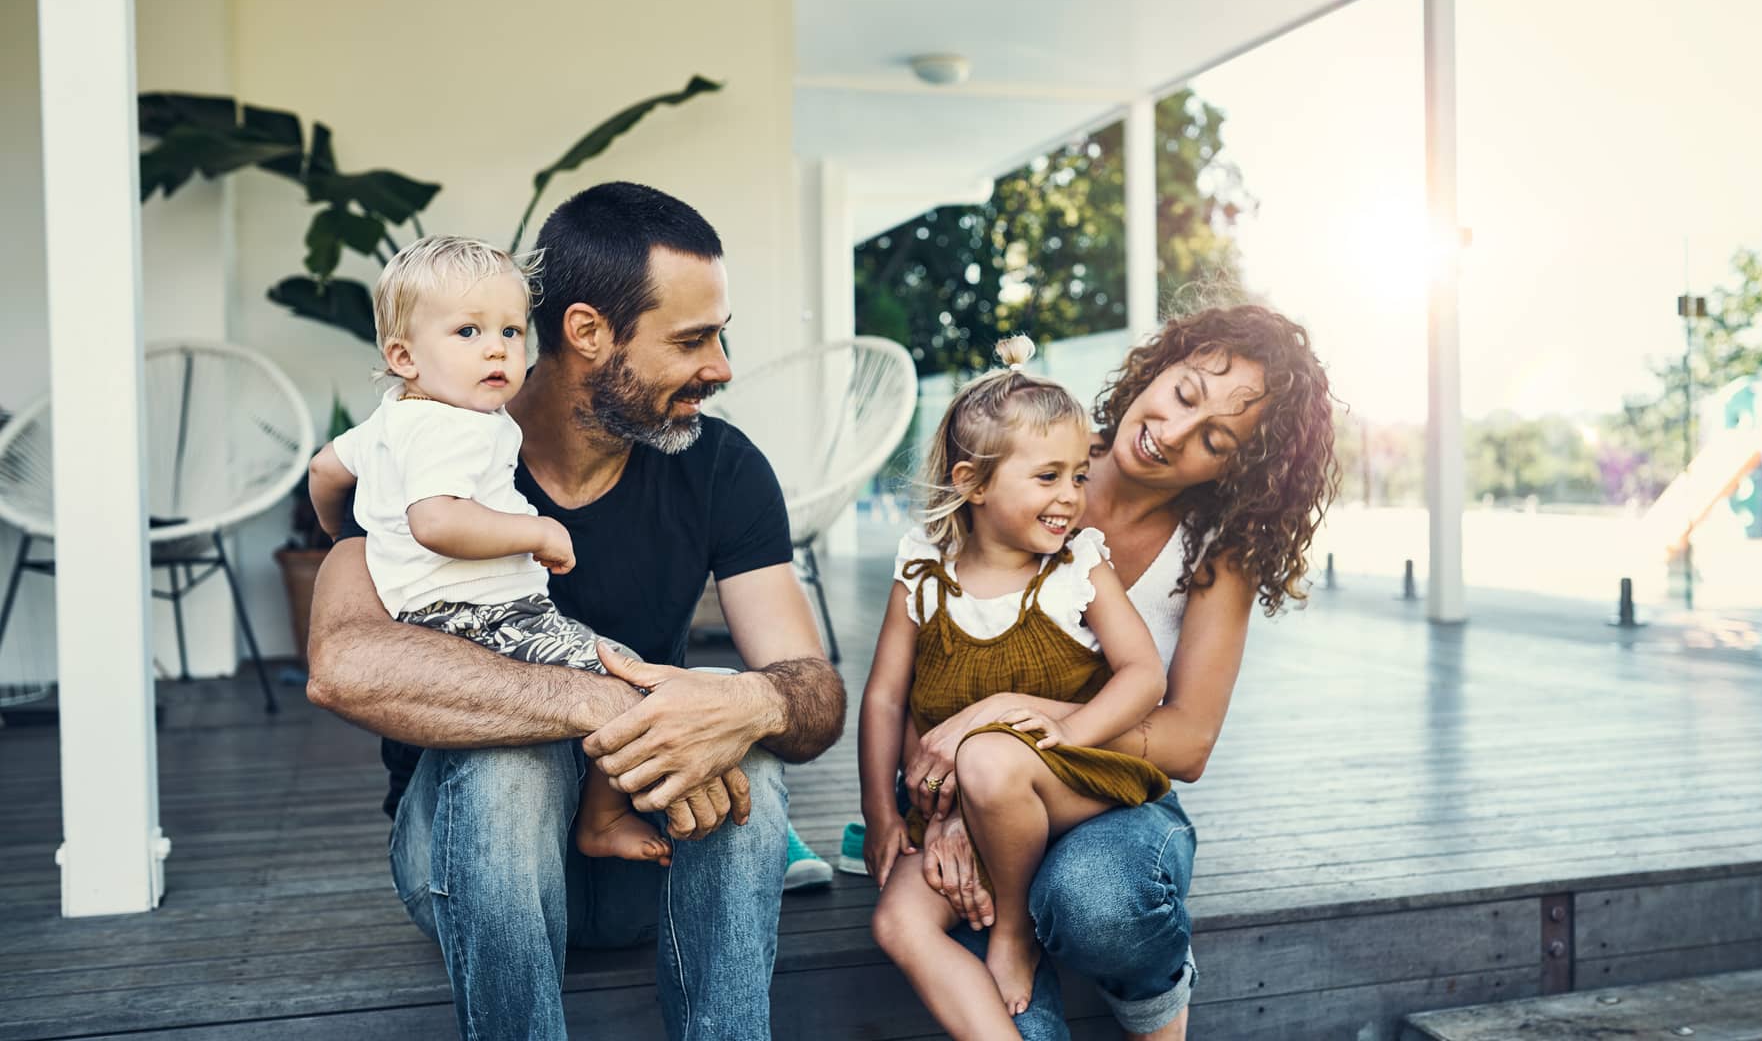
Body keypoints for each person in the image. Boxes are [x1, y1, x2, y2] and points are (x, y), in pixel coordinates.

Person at [305, 182, 846, 1040]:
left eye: (721, 336)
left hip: (652, 857)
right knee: (512, 760)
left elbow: (813, 691)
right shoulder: (428, 439)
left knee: (749, 747)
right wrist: (607, 703)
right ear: (590, 332)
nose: (722, 367)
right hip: (466, 863)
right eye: (694, 339)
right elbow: (345, 665)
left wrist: (746, 704)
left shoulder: (721, 467)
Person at [899, 304, 1340, 1040]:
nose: (1171, 433)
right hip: (980, 789)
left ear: (1239, 467)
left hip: (1117, 798)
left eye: (1215, 440)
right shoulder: (1029, 460)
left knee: (1097, 898)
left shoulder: (1215, 552)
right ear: (1161, 363)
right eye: (1185, 394)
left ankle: (1160, 1012)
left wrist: (1023, 726)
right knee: (970, 938)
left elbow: (1189, 742)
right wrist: (946, 813)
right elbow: (926, 664)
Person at [308, 234, 669, 866]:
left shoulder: (393, 418)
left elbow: (322, 472)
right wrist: (540, 533)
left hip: (428, 620)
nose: (498, 347)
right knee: (629, 678)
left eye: (511, 329)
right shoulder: (456, 427)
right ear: (404, 354)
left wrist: (348, 533)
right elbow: (437, 523)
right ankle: (603, 819)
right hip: (486, 615)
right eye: (468, 332)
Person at [859, 336, 1170, 1037]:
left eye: (1079, 476)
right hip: (968, 796)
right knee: (900, 922)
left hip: (1072, 780)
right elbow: (885, 696)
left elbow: (1145, 674)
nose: (1070, 497)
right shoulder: (922, 572)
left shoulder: (1077, 571)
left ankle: (1013, 935)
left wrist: (1067, 732)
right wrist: (883, 812)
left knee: (991, 757)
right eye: (1049, 476)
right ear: (972, 483)